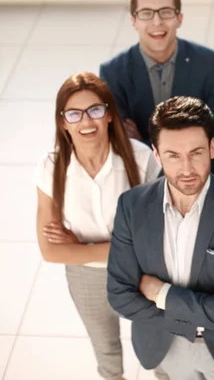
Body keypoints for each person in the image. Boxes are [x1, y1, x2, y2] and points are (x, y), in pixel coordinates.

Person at [107, 96, 214, 380]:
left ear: (212, 148)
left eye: (196, 152)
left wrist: (162, 294)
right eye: (173, 156)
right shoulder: (131, 207)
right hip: (164, 346)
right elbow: (120, 297)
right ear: (156, 154)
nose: (187, 169)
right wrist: (203, 310)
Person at [35, 72, 162, 380]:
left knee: (158, 351)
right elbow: (50, 250)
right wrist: (124, 247)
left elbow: (155, 240)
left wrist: (78, 247)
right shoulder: (53, 166)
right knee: (106, 355)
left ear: (108, 115)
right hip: (86, 280)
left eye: (95, 110)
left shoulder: (142, 159)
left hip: (142, 274)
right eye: (74, 114)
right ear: (63, 122)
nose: (86, 122)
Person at [100, 0, 214, 179]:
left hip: (204, 174)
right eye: (146, 13)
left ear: (179, 18)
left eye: (166, 12)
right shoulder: (113, 72)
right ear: (133, 20)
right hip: (143, 177)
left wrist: (143, 141)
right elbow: (122, 145)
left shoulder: (209, 62)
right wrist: (191, 145)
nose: (157, 22)